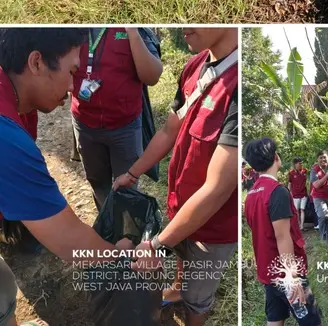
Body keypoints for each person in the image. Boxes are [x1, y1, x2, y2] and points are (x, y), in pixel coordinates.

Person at [0, 28, 155, 326]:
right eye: (72, 71)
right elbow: (70, 241)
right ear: (36, 63)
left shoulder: (19, 103)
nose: (74, 86)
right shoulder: (7, 139)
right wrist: (118, 255)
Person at [113, 27, 238, 326]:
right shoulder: (195, 67)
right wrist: (133, 172)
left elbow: (217, 190)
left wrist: (155, 246)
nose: (183, 26)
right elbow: (170, 130)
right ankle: (178, 288)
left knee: (199, 296)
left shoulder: (237, 88)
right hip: (181, 206)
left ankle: (193, 312)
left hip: (213, 228)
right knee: (182, 256)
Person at [71, 27, 163, 211]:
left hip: (125, 126)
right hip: (84, 123)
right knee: (97, 181)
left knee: (126, 184)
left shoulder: (136, 31)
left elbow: (152, 76)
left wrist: (133, 33)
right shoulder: (71, 31)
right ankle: (107, 220)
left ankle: (125, 230)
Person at [243, 137, 322, 326]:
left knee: (275, 318)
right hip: (285, 274)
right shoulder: (277, 191)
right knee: (311, 320)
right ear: (276, 157)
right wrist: (292, 278)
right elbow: (282, 236)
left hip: (267, 270)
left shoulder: (252, 194)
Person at [309, 151, 328, 244]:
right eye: (320, 157)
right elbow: (316, 185)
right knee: (324, 216)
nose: (323, 159)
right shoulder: (315, 170)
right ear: (317, 159)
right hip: (320, 197)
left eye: (324, 157)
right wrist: (326, 176)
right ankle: (323, 241)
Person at [288, 158, 309, 230]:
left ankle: (302, 226)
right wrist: (288, 193)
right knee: (296, 210)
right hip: (295, 195)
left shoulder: (305, 171)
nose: (301, 164)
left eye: (301, 163)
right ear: (295, 164)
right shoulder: (291, 173)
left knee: (302, 209)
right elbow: (289, 184)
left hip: (303, 194)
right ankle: (298, 225)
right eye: (299, 163)